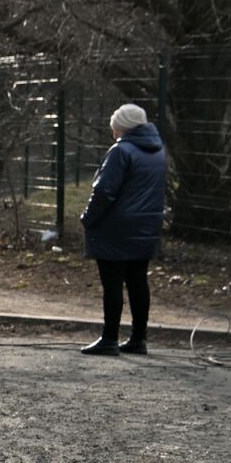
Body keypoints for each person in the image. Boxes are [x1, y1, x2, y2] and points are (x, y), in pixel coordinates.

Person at [79, 103, 167, 356]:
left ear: (121, 126)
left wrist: (88, 218)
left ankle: (109, 338)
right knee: (138, 282)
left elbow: (105, 190)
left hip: (115, 227)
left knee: (113, 284)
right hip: (146, 226)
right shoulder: (158, 150)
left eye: (114, 126)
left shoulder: (121, 151)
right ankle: (139, 338)